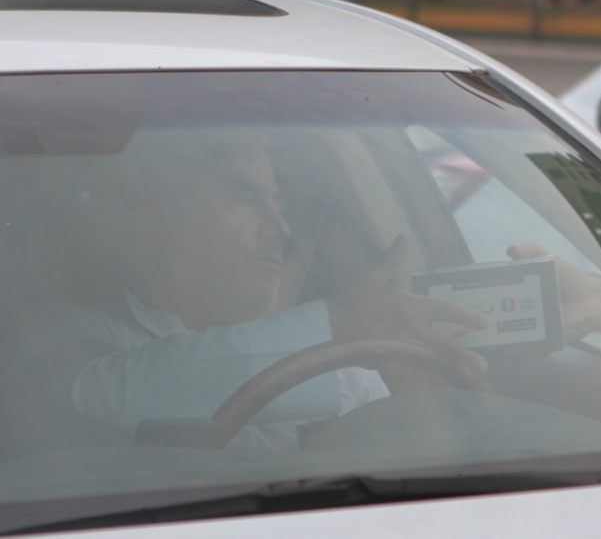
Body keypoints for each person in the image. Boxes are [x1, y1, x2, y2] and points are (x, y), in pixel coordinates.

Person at [2, 132, 489, 453]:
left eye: (277, 202)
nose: (280, 229)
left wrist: (408, 397)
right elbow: (111, 394)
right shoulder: (55, 333)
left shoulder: (330, 350)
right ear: (156, 221)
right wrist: (336, 326)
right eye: (245, 197)